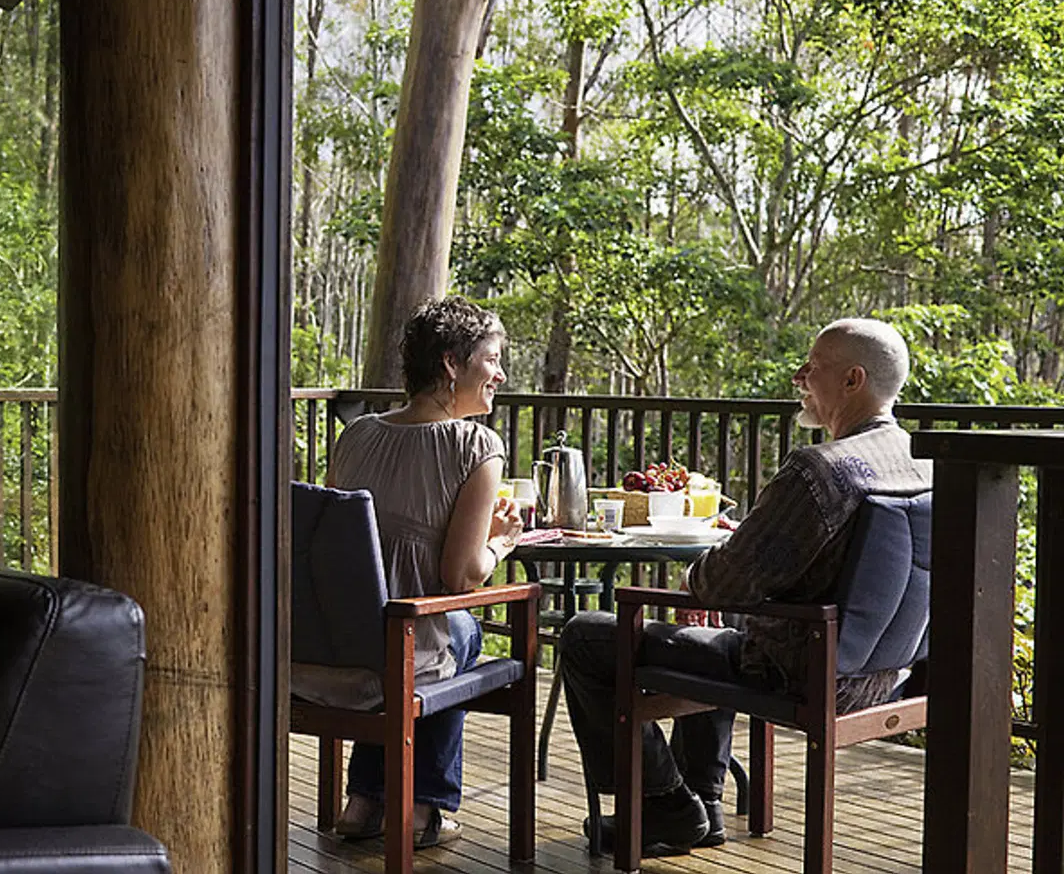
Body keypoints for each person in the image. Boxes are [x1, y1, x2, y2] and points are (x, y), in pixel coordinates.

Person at [559, 318, 933, 856]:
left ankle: (665, 803)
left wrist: (701, 571)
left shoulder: (821, 471)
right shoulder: (924, 463)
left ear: (854, 380)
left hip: (797, 670)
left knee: (587, 635)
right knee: (718, 631)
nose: (799, 376)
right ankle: (704, 803)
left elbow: (721, 582)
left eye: (814, 367)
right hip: (886, 674)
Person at [325, 296, 524, 849]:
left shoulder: (357, 434)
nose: (500, 373)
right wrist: (501, 542)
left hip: (328, 654)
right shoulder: (476, 446)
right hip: (399, 653)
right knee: (460, 629)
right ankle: (419, 807)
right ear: (451, 365)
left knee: (406, 636)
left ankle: (364, 798)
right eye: (492, 358)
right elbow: (461, 577)